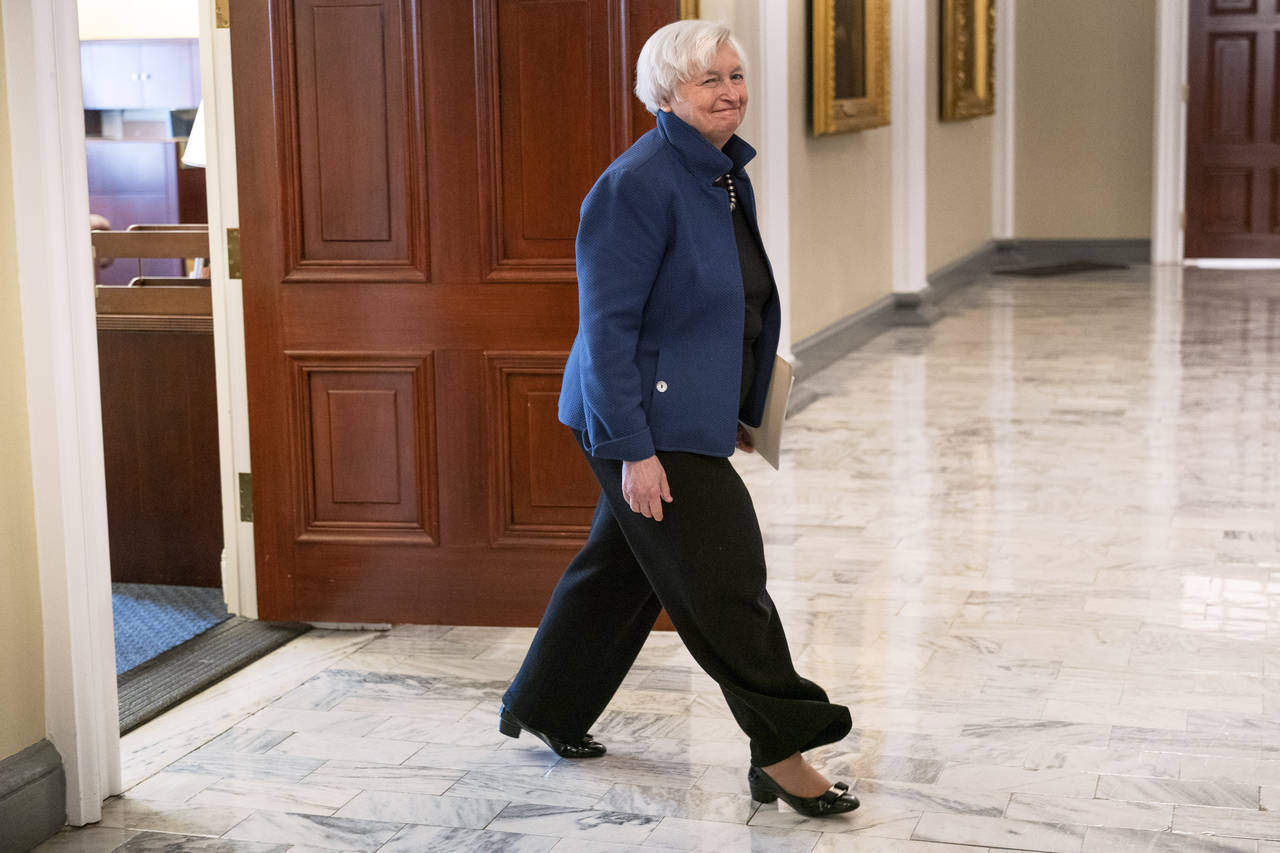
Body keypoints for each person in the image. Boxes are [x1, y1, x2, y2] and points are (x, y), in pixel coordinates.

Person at [497, 20, 858, 818]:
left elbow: (728, 304)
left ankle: (546, 703)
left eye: (736, 75)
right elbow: (608, 331)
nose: (731, 93)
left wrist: (731, 403)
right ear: (667, 95)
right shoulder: (637, 183)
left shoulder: (723, 174)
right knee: (727, 583)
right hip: (637, 424)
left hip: (682, 413)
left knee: (619, 572)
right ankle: (784, 749)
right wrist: (634, 451)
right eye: (710, 82)